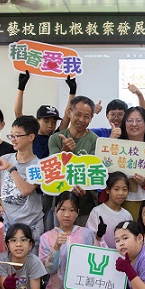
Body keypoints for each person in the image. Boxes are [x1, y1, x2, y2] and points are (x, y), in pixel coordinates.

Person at [38, 192, 103, 289]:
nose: (67, 214)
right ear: (55, 211)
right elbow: (48, 270)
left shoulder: (86, 234)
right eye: (62, 210)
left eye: (72, 210)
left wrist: (89, 285)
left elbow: (96, 264)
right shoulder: (46, 237)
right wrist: (56, 248)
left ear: (78, 213)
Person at [0, 116, 44, 248]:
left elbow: (26, 190)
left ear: (31, 137)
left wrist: (10, 168)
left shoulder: (39, 165)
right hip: (9, 224)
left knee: (30, 265)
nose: (12, 140)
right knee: (9, 263)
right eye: (11, 136)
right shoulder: (5, 159)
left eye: (17, 136)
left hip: (31, 225)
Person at [48, 95, 99, 224]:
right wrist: (65, 151)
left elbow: (93, 171)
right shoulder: (55, 138)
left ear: (91, 118)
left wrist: (84, 187)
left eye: (86, 116)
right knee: (61, 241)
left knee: (84, 240)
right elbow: (53, 170)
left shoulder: (95, 140)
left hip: (86, 203)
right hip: (61, 204)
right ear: (69, 113)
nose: (81, 120)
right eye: (78, 114)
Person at [14, 70, 73, 159]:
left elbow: (67, 117)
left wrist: (72, 92)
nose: (50, 125)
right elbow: (18, 112)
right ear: (37, 121)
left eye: (53, 122)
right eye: (46, 121)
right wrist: (21, 87)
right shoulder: (30, 135)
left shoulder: (55, 137)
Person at [86, 172, 133, 248]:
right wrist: (99, 235)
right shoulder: (97, 212)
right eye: (116, 189)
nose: (121, 193)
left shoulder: (127, 215)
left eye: (124, 189)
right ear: (108, 190)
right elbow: (88, 238)